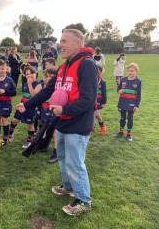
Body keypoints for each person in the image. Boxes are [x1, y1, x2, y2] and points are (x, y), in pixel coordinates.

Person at [17, 29, 98, 216]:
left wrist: (65, 110)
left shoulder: (86, 64)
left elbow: (89, 98)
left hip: (78, 124)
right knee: (62, 157)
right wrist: (26, 104)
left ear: (78, 44)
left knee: (75, 163)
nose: (60, 44)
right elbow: (47, 91)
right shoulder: (63, 67)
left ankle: (84, 201)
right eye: (60, 41)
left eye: (64, 41)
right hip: (62, 122)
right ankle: (68, 187)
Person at [8, 66, 42, 148]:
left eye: (31, 73)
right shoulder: (25, 83)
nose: (29, 76)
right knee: (14, 121)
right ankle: (11, 134)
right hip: (22, 106)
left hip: (31, 108)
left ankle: (29, 140)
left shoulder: (38, 84)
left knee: (30, 125)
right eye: (27, 74)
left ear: (35, 74)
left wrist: (30, 84)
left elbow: (34, 95)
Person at [113, 62, 141, 142]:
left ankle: (129, 134)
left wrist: (137, 105)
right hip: (122, 102)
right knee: (122, 118)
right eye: (128, 70)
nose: (130, 72)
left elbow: (139, 95)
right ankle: (121, 132)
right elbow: (118, 89)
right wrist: (119, 91)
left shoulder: (138, 81)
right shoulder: (123, 79)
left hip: (132, 104)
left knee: (130, 118)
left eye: (132, 71)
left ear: (136, 71)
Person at [0, 59, 17, 146]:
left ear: (6, 69)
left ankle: (5, 138)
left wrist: (5, 91)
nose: (0, 70)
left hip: (5, 103)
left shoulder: (9, 80)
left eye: (2, 68)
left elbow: (14, 92)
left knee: (5, 120)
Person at [92, 65, 107, 135]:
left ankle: (102, 126)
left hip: (98, 100)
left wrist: (104, 102)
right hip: (91, 100)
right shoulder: (90, 80)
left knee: (97, 114)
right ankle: (93, 126)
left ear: (100, 72)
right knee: (91, 113)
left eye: (98, 70)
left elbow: (104, 93)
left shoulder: (102, 82)